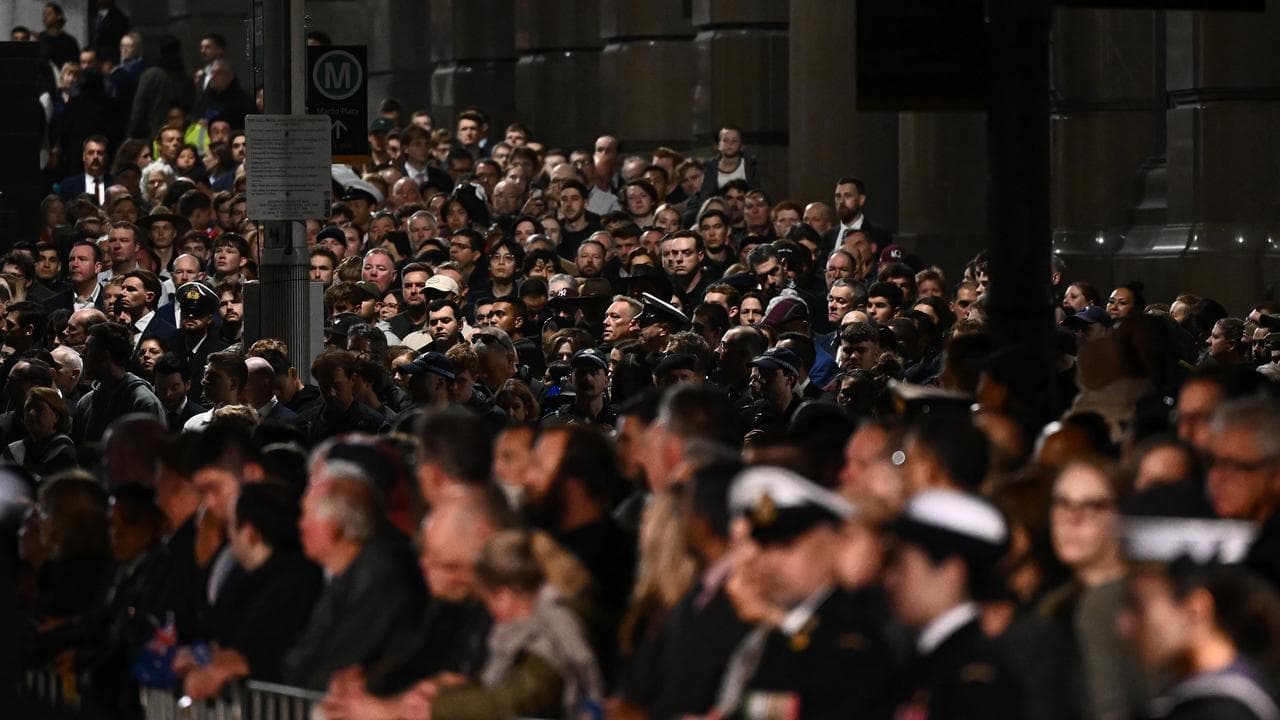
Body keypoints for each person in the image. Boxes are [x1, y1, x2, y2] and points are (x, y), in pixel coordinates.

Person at [712, 465, 896, 717]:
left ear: (837, 540)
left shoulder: (850, 636)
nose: (769, 561)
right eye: (764, 546)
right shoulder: (791, 629)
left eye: (786, 544)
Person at [883, 489, 1023, 719]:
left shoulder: (974, 678)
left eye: (901, 565)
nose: (890, 579)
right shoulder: (925, 660)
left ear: (951, 572)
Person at [1121, 518, 1280, 720]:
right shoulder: (1187, 696)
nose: (1124, 625)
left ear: (1196, 609)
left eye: (1138, 607)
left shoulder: (1222, 712)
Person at [72, 321, 166, 444]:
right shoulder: (85, 404)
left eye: (88, 349)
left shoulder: (144, 403)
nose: (82, 355)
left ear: (105, 355)